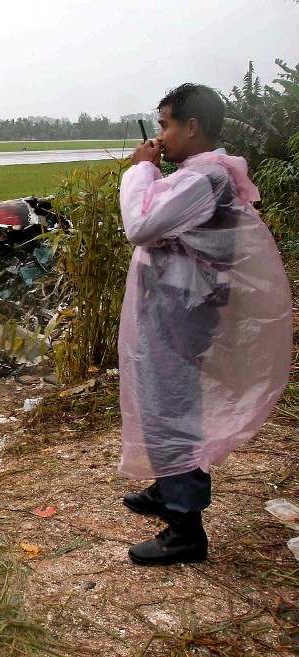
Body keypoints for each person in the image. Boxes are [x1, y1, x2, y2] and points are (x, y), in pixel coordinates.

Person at [118, 83, 292, 566]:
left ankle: (184, 529)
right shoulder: (203, 174)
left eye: (166, 126)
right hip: (177, 311)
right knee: (163, 401)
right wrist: (153, 170)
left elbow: (142, 225)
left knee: (171, 407)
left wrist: (141, 169)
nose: (161, 137)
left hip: (182, 316)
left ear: (192, 127)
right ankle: (167, 488)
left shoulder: (204, 179)